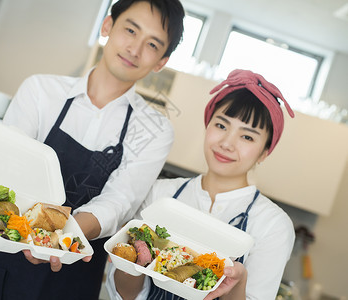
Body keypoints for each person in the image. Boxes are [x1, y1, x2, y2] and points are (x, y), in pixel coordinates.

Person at [0, 1, 185, 300]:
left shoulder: (155, 130)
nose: (134, 49)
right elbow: (6, 169)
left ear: (161, 62)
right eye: (130, 30)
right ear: (107, 26)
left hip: (72, 276)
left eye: (151, 44)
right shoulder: (41, 92)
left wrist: (58, 236)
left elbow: (119, 201)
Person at [106, 69, 296, 300]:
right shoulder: (160, 194)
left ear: (265, 152)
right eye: (221, 126)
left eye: (247, 137)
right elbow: (125, 294)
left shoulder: (272, 225)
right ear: (208, 126)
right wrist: (132, 256)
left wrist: (238, 282)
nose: (227, 143)